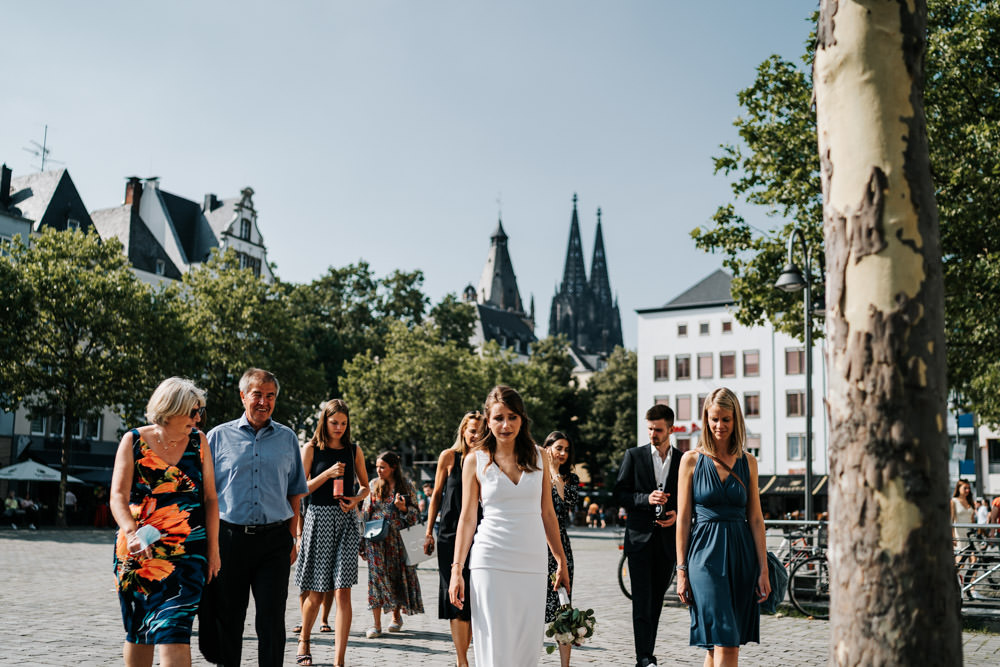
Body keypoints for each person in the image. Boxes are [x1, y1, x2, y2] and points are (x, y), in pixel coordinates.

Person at [449, 385, 570, 667]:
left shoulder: (541, 456)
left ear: (522, 419)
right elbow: (467, 518)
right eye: (499, 417)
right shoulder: (473, 461)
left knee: (527, 644)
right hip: (489, 559)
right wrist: (457, 570)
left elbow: (547, 513)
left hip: (532, 560)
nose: (506, 425)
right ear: (488, 421)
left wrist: (560, 560)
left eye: (512, 417)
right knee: (493, 642)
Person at [109, 377, 221, 667]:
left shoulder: (199, 442)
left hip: (188, 552)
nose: (198, 418)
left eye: (200, 412)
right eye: (193, 411)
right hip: (139, 552)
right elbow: (118, 496)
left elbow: (210, 498)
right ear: (171, 410)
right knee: (140, 630)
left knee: (175, 629)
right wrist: (131, 532)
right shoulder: (133, 441)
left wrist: (214, 549)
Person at [206, 368, 309, 667]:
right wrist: (210, 544)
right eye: (257, 395)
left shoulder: (288, 438)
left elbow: (295, 493)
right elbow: (207, 496)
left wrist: (292, 537)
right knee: (228, 619)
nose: (264, 402)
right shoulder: (216, 437)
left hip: (274, 541)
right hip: (229, 540)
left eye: (270, 396)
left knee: (272, 620)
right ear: (243, 396)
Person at [676, 387, 769, 667]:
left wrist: (763, 569)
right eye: (714, 419)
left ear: (736, 420)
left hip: (741, 556)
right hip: (704, 557)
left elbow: (755, 518)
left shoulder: (748, 462)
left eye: (726, 419)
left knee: (716, 647)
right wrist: (681, 570)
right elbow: (682, 518)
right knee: (726, 640)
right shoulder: (690, 460)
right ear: (706, 419)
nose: (720, 426)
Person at [294, 399, 370, 667]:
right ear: (324, 421)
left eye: (344, 423)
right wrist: (326, 474)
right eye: (334, 422)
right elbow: (301, 488)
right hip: (319, 520)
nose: (339, 428)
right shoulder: (311, 448)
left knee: (342, 593)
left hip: (346, 522)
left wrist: (355, 500)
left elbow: (365, 487)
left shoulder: (354, 450)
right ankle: (304, 639)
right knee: (315, 593)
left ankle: (339, 660)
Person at [613, 403, 681, 667]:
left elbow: (690, 496)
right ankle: (644, 657)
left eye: (658, 429)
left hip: (666, 542)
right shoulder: (634, 455)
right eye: (650, 429)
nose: (653, 434)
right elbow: (618, 493)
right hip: (639, 540)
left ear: (671, 429)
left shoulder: (683, 459)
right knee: (641, 602)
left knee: (656, 603)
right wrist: (645, 498)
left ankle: (647, 653)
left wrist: (676, 513)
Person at [424, 410, 482, 667]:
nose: (476, 435)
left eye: (481, 431)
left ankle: (471, 654)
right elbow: (436, 495)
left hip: (480, 534)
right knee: (456, 595)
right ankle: (462, 660)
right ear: (463, 431)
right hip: (448, 534)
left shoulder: (487, 459)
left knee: (476, 596)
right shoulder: (449, 457)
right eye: (472, 430)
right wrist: (428, 532)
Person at [361, 450, 423, 638]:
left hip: (398, 541)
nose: (378, 470)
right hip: (376, 541)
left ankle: (396, 617)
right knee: (376, 580)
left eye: (383, 467)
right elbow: (365, 513)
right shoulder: (373, 485)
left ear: (393, 467)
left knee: (396, 578)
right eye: (377, 467)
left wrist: (404, 508)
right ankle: (376, 624)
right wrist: (361, 543)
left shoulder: (406, 486)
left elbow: (415, 516)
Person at [543, 431, 580, 667]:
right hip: (535, 544)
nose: (562, 453)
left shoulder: (571, 479)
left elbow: (567, 504)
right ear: (547, 448)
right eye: (558, 448)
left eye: (566, 449)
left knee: (563, 607)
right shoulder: (533, 474)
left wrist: (556, 476)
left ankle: (565, 665)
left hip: (560, 546)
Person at [951, 479, 976, 598]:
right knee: (960, 564)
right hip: (959, 535)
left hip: (970, 535)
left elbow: (972, 520)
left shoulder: (970, 501)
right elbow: (951, 520)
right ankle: (953, 585)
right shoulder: (954, 501)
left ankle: (972, 588)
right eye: (965, 488)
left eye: (969, 488)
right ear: (958, 488)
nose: (967, 490)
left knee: (975, 561)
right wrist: (952, 537)